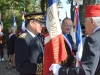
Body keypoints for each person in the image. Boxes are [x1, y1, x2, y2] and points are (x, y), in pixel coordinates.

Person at [49, 5, 100, 75]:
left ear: (91, 20)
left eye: (85, 21)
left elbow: (85, 72)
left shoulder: (93, 39)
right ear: (62, 25)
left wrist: (59, 70)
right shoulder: (57, 37)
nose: (84, 24)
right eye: (67, 25)